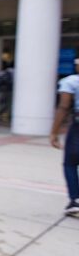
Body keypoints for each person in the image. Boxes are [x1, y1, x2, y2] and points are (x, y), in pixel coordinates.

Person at [50, 59, 79, 217]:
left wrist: (54, 132)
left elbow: (63, 107)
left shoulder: (71, 81)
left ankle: (75, 200)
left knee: (70, 162)